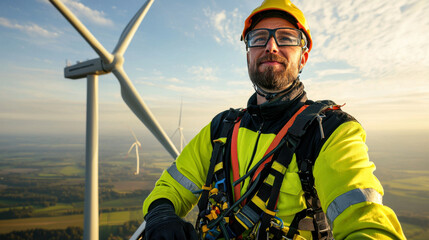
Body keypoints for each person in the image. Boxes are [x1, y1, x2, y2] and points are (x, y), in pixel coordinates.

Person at [142, 0, 406, 239]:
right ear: (248, 56)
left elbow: (367, 223)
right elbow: (170, 187)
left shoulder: (330, 132)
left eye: (286, 37)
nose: (271, 46)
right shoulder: (221, 129)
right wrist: (160, 214)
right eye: (258, 38)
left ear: (303, 58)